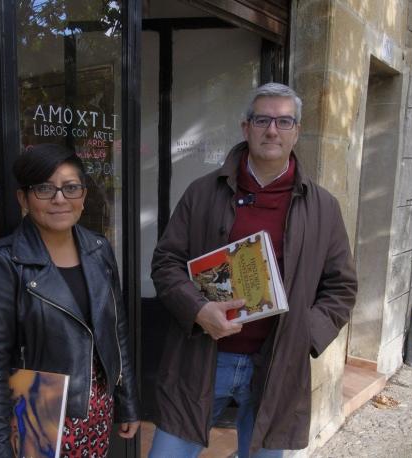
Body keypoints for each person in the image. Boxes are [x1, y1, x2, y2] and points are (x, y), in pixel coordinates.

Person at [148, 83, 358, 458]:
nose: (272, 130)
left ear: (296, 131)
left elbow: (341, 288)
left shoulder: (323, 208)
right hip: (203, 358)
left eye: (283, 121)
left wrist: (303, 335)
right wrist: (197, 309)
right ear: (246, 127)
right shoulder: (202, 193)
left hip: (277, 365)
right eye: (262, 119)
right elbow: (166, 263)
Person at [0, 143, 140, 457]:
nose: (60, 199)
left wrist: (127, 402)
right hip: (37, 415)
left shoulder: (98, 249)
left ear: (83, 196)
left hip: (96, 411)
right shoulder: (3, 262)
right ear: (24, 199)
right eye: (45, 189)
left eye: (71, 188)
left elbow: (116, 331)